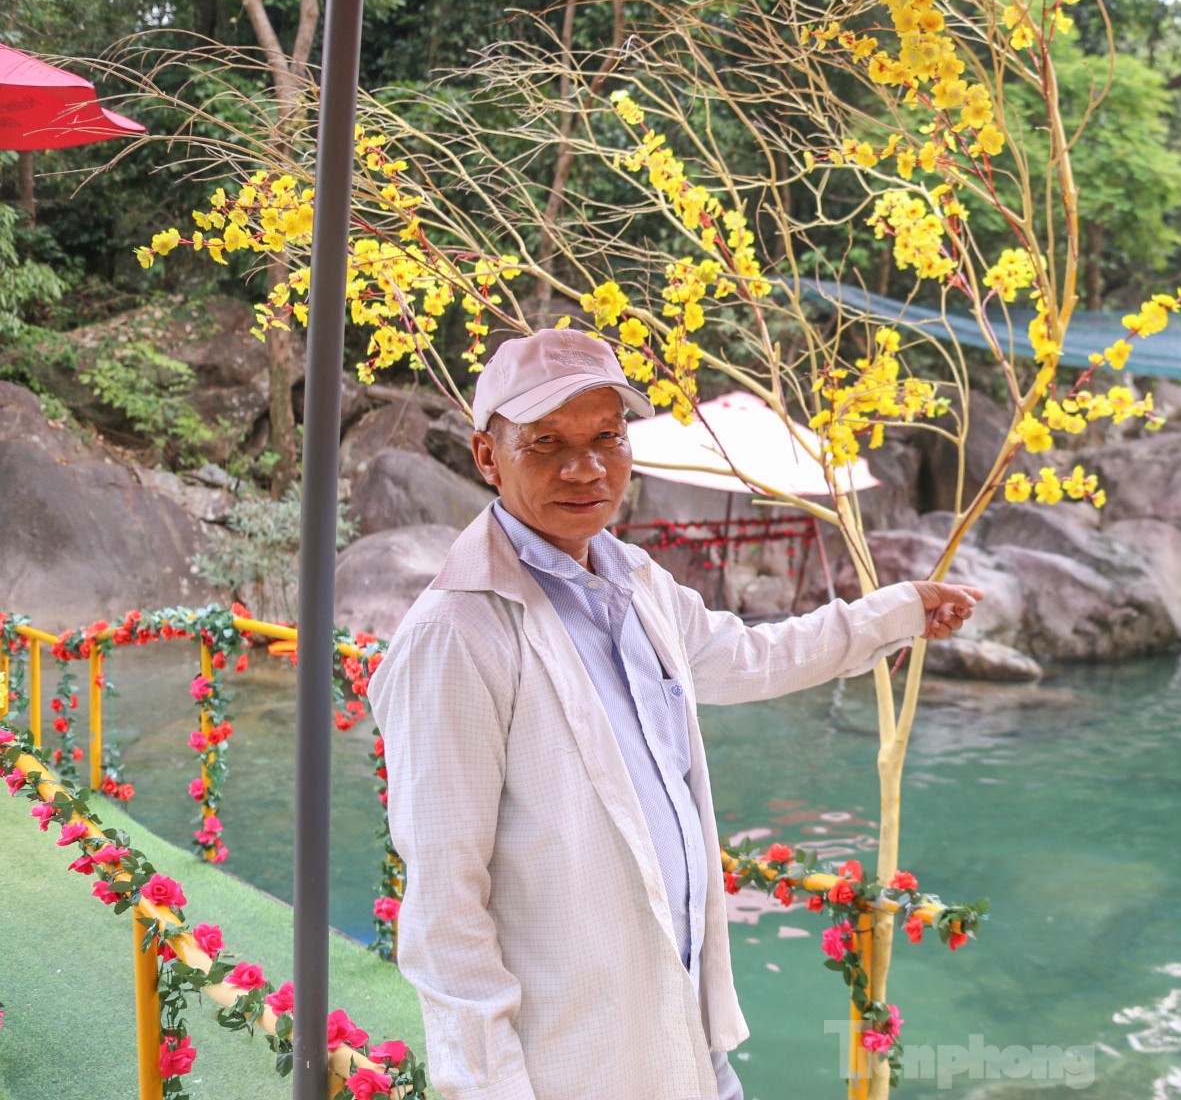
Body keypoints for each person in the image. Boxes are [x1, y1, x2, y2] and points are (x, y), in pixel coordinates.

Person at [368, 329, 984, 1100]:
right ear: (488, 457)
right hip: (572, 1062)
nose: (585, 467)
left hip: (685, 1025)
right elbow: (444, 910)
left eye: (605, 438)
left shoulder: (635, 582)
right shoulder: (457, 634)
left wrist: (896, 613)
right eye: (547, 443)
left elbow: (753, 656)